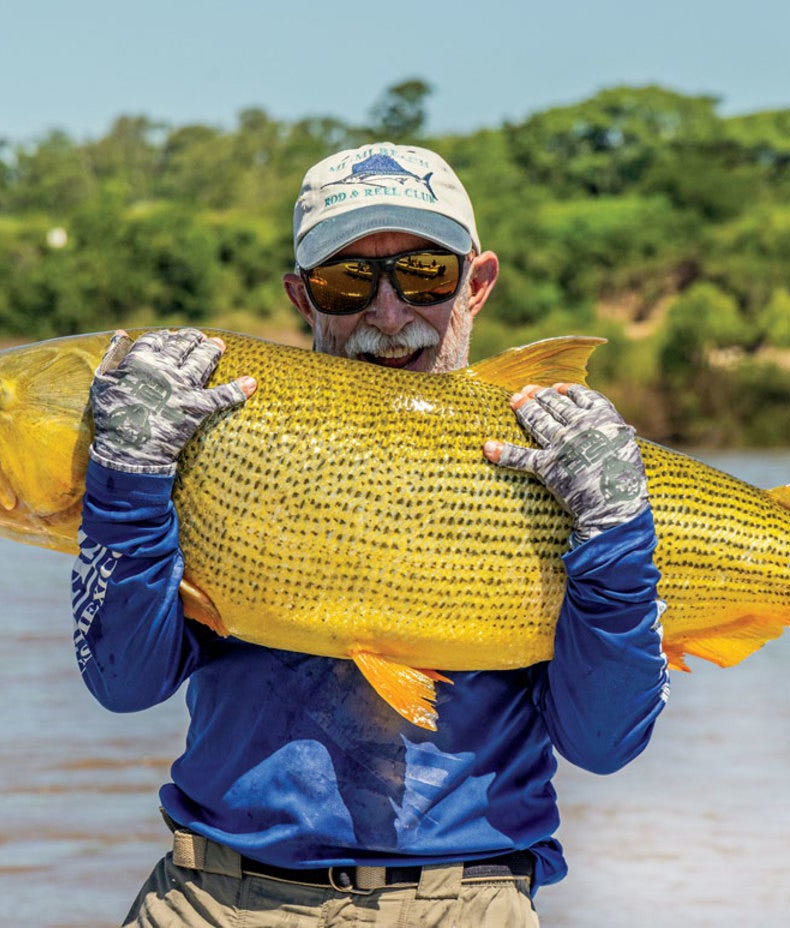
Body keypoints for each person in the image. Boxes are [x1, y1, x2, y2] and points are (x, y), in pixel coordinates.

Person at [72, 142, 669, 927]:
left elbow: (604, 740)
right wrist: (128, 483)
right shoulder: (213, 427)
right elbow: (122, 683)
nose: (388, 317)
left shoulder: (555, 464)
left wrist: (618, 539)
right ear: (302, 296)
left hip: (464, 901)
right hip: (214, 897)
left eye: (425, 276)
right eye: (348, 283)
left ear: (477, 283)